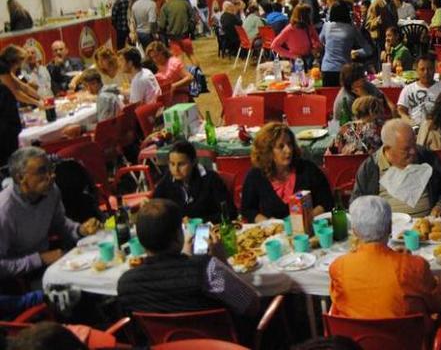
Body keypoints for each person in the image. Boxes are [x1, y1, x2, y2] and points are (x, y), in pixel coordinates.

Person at [116, 199, 260, 316]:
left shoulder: (126, 284)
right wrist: (221, 260)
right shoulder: (206, 269)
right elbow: (250, 305)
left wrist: (185, 257)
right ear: (178, 236)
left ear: (140, 241)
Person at [329, 196, 441, 318]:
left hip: (353, 336)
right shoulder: (416, 267)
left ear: (354, 231)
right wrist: (408, 263)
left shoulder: (339, 267)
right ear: (390, 227)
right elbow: (438, 303)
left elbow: (339, 303)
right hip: (407, 336)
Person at [0, 147, 100, 278]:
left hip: (48, 260)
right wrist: (39, 259)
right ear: (20, 178)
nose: (51, 176)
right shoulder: (4, 210)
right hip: (20, 279)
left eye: (50, 168)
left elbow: (59, 224)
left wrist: (80, 230)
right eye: (41, 171)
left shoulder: (51, 191)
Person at [352, 119, 441, 217]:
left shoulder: (426, 156)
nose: (413, 151)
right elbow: (356, 204)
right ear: (387, 149)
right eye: (406, 149)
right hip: (387, 230)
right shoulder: (370, 168)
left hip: (427, 224)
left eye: (414, 145)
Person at [241, 123, 332, 222]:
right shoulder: (255, 175)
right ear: (268, 151)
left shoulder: (307, 169)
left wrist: (307, 218)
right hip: (273, 234)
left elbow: (327, 202)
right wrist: (268, 224)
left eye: (289, 144)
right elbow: (248, 209)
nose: (288, 150)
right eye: (281, 146)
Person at [153, 141, 234, 223]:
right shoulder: (168, 178)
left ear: (193, 162)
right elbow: (155, 204)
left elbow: (231, 213)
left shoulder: (211, 179)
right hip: (179, 230)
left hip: (206, 229)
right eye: (172, 164)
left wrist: (200, 221)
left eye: (181, 164)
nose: (176, 169)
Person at [319, 3, 371, 87]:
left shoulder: (326, 26)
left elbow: (319, 43)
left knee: (329, 96)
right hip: (346, 70)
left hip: (327, 68)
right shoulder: (351, 28)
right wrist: (355, 52)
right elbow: (368, 50)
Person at [397, 55, 441, 126]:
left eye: (429, 69)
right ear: (417, 70)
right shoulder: (408, 89)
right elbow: (400, 110)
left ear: (434, 70)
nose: (426, 72)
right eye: (422, 69)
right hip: (414, 129)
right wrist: (409, 121)